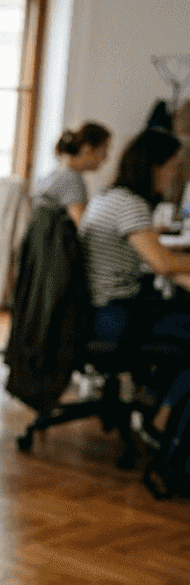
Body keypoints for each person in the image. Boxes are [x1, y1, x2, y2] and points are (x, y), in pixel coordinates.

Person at [80, 127, 190, 432]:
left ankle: (155, 400)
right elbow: (163, 263)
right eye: (174, 167)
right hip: (113, 318)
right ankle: (162, 416)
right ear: (155, 166)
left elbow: (159, 262)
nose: (175, 175)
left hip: (102, 310)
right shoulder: (129, 203)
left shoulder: (110, 196)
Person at [33, 122, 111, 224]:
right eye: (104, 149)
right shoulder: (72, 179)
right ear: (87, 149)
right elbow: (82, 225)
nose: (106, 158)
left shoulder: (57, 173)